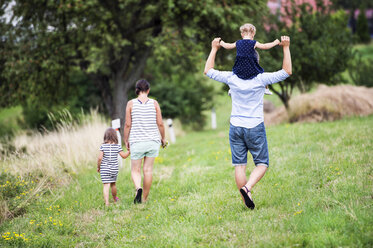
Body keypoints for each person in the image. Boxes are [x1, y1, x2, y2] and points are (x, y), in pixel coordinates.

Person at [204, 36, 292, 209]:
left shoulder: (231, 78)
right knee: (262, 164)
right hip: (255, 127)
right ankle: (248, 187)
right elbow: (286, 71)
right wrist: (286, 48)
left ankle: (246, 201)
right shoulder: (261, 79)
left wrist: (214, 48)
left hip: (235, 127)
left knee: (239, 165)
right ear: (256, 62)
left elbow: (208, 70)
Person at [124, 79, 167, 204]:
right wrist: (163, 139)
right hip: (152, 141)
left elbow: (127, 124)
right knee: (148, 170)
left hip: (137, 141)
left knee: (135, 170)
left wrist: (126, 140)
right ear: (148, 90)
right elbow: (160, 123)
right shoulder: (154, 103)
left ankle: (138, 188)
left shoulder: (130, 104)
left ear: (137, 90)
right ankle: (144, 199)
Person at [220, 23, 280, 95]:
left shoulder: (238, 42)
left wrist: (221, 42)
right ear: (253, 34)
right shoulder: (253, 43)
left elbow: (228, 46)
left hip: (239, 68)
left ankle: (231, 89)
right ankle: (266, 89)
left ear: (242, 34)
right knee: (262, 74)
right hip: (252, 69)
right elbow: (265, 46)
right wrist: (275, 42)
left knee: (233, 75)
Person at [97, 128, 130, 206]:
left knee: (106, 185)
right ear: (115, 137)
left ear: (105, 137)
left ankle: (107, 203)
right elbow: (124, 156)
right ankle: (115, 199)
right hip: (114, 169)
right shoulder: (117, 146)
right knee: (113, 184)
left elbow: (99, 158)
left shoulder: (103, 146)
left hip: (105, 168)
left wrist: (98, 167)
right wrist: (129, 151)